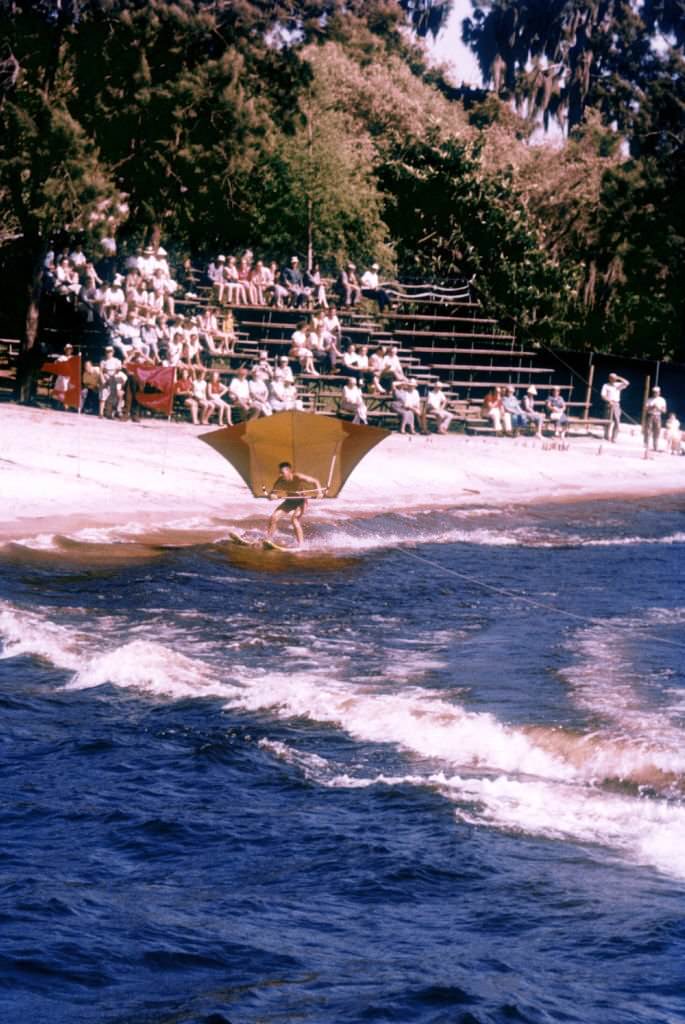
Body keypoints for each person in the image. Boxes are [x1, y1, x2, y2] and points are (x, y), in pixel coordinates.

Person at [266, 462, 323, 547]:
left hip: (301, 501)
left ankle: (301, 545)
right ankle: (268, 541)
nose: (281, 475)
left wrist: (319, 492)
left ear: (289, 471)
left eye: (283, 472)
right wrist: (272, 496)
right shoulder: (280, 480)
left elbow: (315, 481)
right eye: (280, 473)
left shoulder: (298, 477)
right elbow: (272, 494)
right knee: (273, 517)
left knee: (294, 519)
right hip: (289, 502)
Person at [601, 372, 629, 442]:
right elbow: (603, 395)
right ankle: (606, 436)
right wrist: (609, 400)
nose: (613, 380)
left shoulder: (618, 385)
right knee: (607, 421)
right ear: (609, 378)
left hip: (616, 404)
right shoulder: (605, 385)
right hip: (609, 404)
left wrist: (618, 377)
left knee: (617, 421)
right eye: (612, 378)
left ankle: (614, 438)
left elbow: (627, 383)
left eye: (614, 378)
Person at [643, 386, 667, 452]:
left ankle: (655, 446)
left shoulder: (662, 400)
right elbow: (645, 409)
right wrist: (651, 407)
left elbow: (664, 411)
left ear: (659, 392)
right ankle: (646, 444)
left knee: (657, 432)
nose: (655, 393)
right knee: (648, 431)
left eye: (656, 392)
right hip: (650, 415)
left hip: (658, 416)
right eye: (654, 392)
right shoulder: (649, 399)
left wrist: (658, 408)